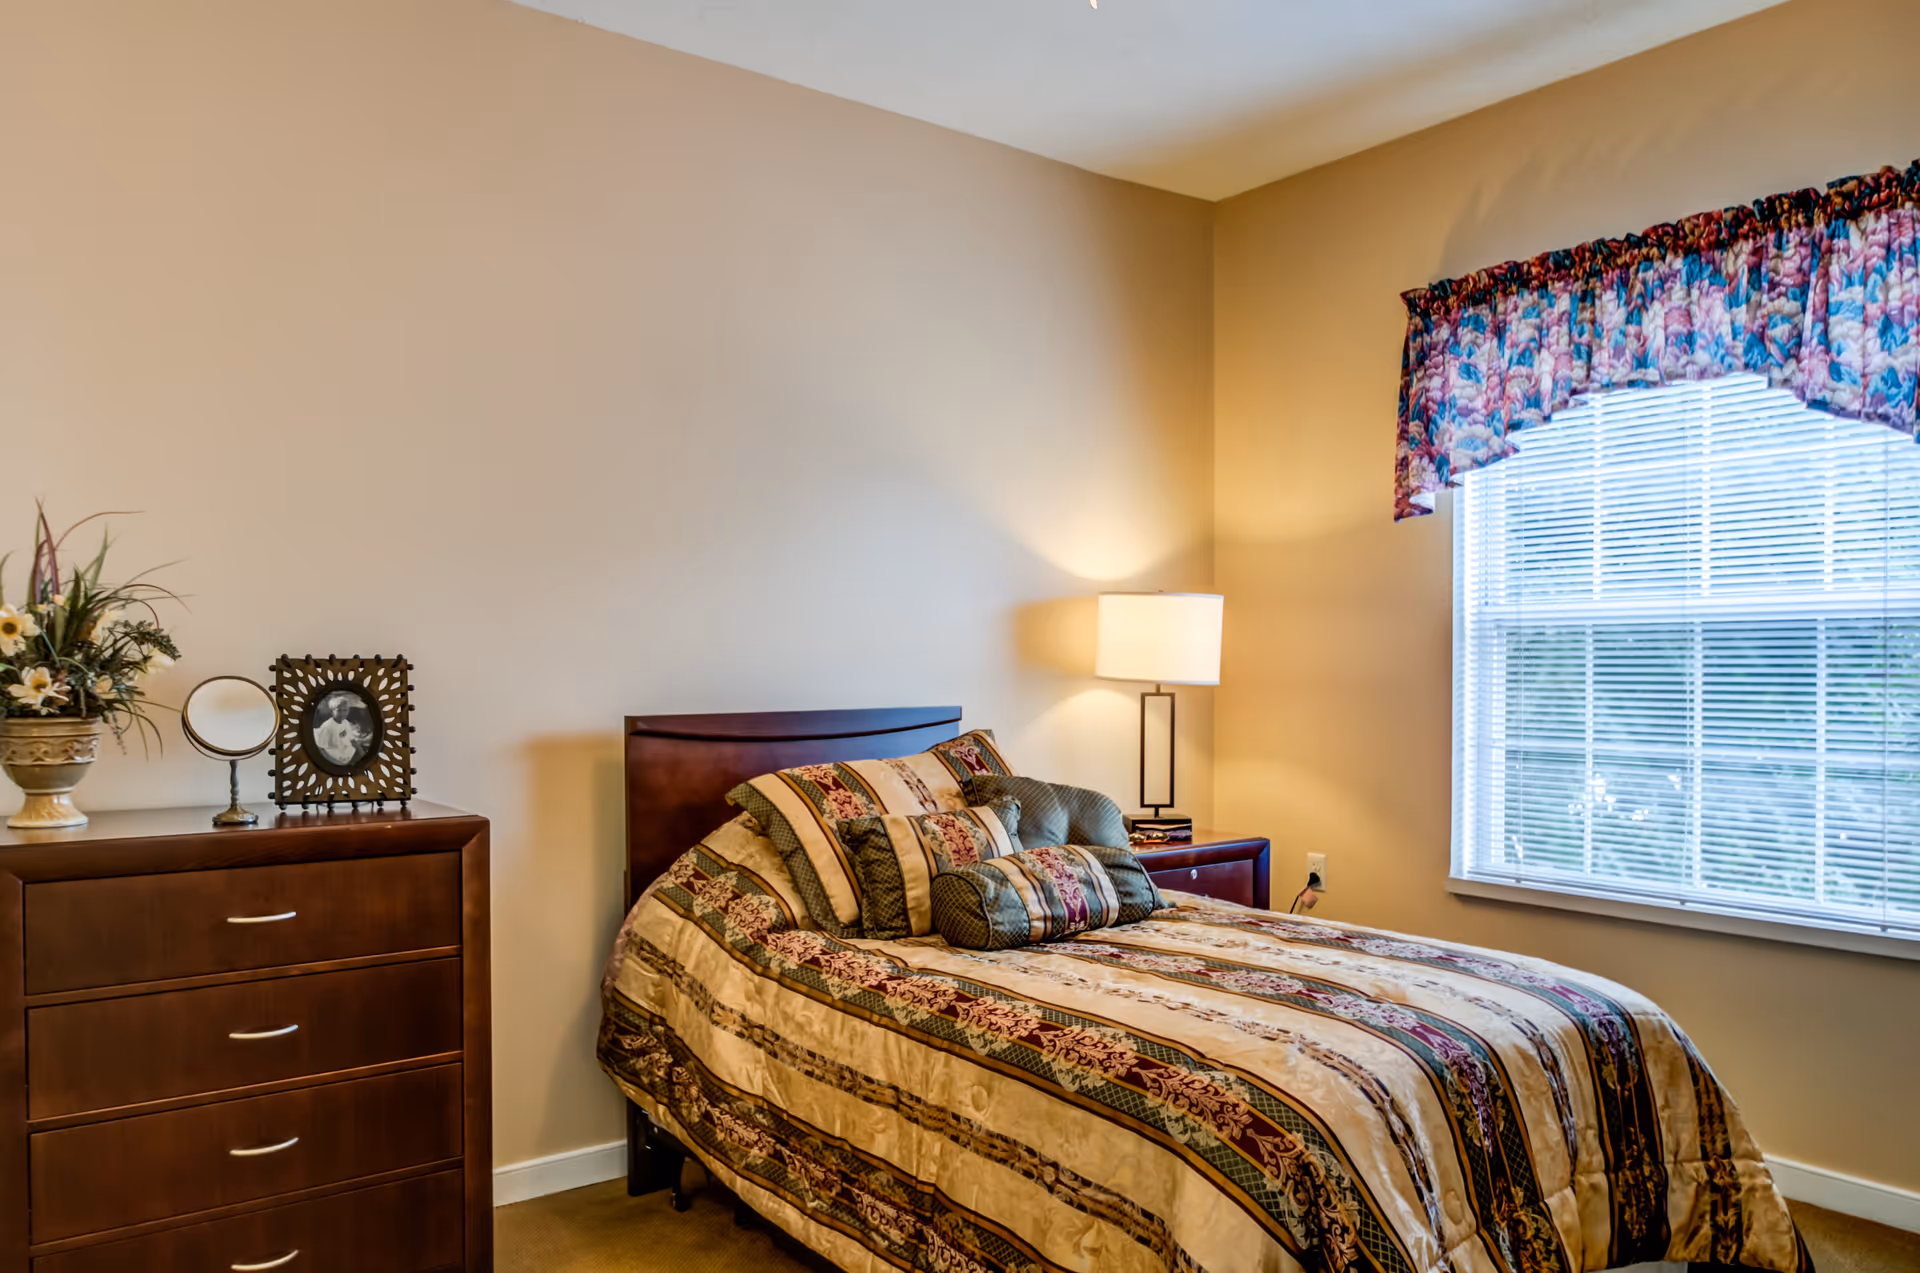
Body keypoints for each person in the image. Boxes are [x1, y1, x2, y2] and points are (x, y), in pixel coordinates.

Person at [313, 695, 370, 766]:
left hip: (347, 754)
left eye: (345, 710)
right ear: (332, 712)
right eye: (339, 710)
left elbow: (352, 739)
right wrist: (333, 763)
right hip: (336, 760)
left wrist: (362, 753)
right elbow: (321, 749)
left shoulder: (345, 722)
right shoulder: (327, 727)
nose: (342, 713)